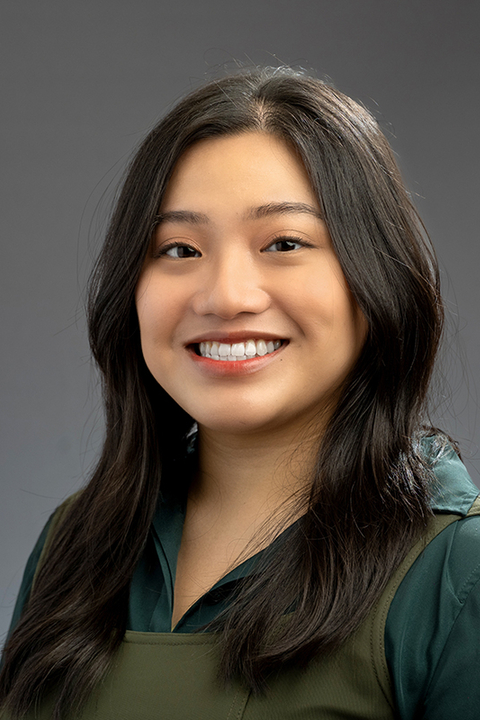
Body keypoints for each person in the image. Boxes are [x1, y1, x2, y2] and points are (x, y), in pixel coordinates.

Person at [1, 67, 479, 720]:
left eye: (284, 243)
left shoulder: (455, 572)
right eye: (178, 248)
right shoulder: (75, 544)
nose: (225, 295)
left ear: (374, 281)